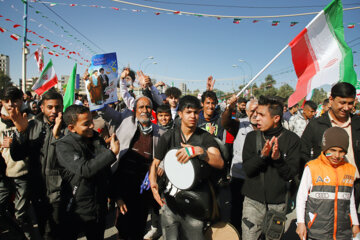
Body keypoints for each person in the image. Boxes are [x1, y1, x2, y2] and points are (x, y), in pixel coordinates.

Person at [149, 95, 224, 240]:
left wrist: (199, 151)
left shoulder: (205, 137)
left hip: (195, 206)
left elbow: (219, 162)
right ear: (180, 114)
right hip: (170, 203)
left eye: (196, 112)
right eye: (188, 112)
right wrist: (153, 183)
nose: (193, 116)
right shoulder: (169, 136)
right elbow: (155, 163)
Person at [100, 96, 165, 239]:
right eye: (141, 107)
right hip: (123, 186)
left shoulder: (160, 132)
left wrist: (162, 166)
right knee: (123, 227)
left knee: (139, 225)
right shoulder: (125, 120)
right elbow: (104, 110)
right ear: (135, 110)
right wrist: (93, 90)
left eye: (148, 107)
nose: (144, 110)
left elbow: (166, 153)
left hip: (144, 187)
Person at [55, 105, 119, 240]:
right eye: (86, 124)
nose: (91, 126)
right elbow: (85, 169)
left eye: (91, 121)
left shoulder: (96, 138)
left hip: (97, 207)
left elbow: (105, 170)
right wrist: (111, 153)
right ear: (71, 128)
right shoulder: (64, 145)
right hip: (75, 208)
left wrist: (115, 195)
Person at [241, 95, 301, 240]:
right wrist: (262, 156)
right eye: (256, 114)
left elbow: (290, 174)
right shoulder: (251, 137)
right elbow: (248, 169)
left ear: (276, 118)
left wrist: (278, 159)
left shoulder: (292, 140)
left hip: (278, 204)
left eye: (261, 115)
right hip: (252, 203)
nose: (256, 118)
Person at [10, 90, 65, 240]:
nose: (54, 111)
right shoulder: (32, 125)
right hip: (38, 189)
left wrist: (58, 136)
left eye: (58, 107)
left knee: (56, 231)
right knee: (43, 229)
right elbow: (17, 155)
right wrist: (20, 133)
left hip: (59, 191)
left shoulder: (68, 128)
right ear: (42, 108)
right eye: (50, 107)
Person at [301, 82, 360, 207]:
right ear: (331, 100)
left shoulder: (357, 123)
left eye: (350, 103)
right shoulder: (316, 125)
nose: (346, 107)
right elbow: (302, 153)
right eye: (342, 102)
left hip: (354, 187)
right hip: (324, 188)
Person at [296, 127, 360, 240]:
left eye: (341, 151)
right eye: (333, 150)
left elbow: (350, 201)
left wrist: (355, 223)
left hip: (343, 232)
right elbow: (301, 197)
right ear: (325, 148)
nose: (336, 155)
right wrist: (301, 223)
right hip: (316, 231)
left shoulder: (349, 169)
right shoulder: (312, 167)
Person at [0, 87, 34, 238]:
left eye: (14, 101)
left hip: (23, 172)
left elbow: (35, 144)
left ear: (22, 101)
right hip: (4, 173)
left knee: (21, 214)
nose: (10, 105)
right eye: (6, 101)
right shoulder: (0, 121)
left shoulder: (30, 119)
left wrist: (16, 142)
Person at [221, 96, 258, 233]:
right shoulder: (239, 123)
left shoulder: (265, 126)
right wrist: (229, 108)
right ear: (247, 112)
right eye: (252, 111)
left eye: (258, 111)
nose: (255, 114)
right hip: (239, 176)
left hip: (257, 178)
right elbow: (225, 122)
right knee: (236, 210)